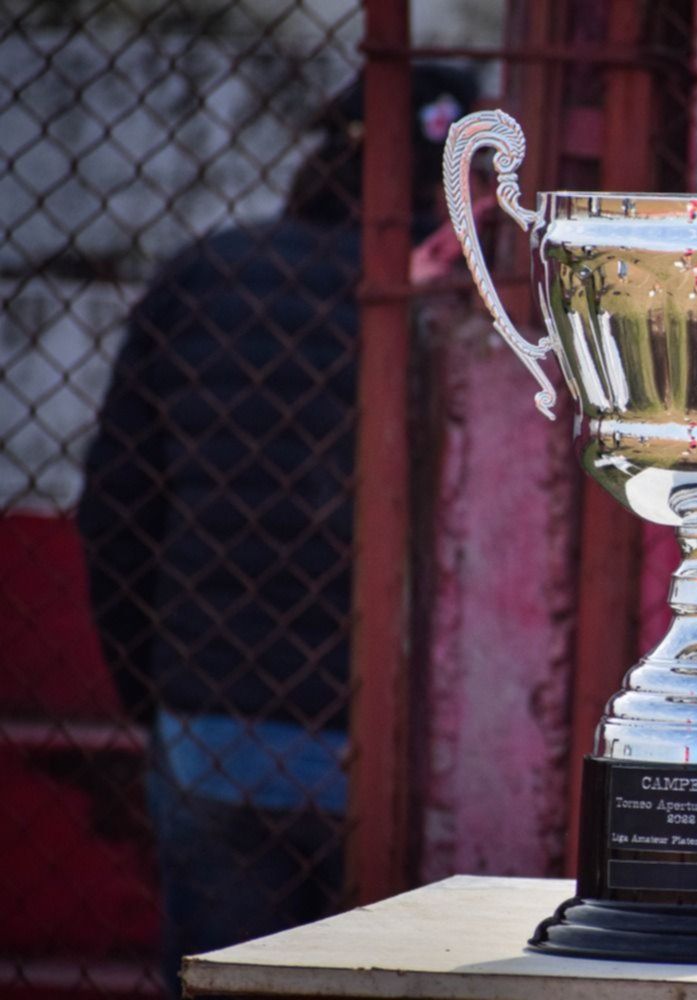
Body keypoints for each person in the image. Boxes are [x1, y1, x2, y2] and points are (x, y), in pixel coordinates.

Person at [77, 64, 476, 996]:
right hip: (419, 745)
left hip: (221, 725)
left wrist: (164, 694)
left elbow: (115, 512)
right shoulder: (477, 312)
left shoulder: (206, 274)